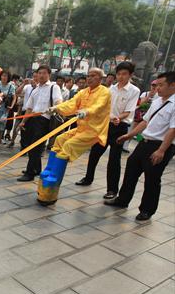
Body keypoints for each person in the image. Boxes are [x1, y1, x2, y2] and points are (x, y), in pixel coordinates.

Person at [105, 71, 175, 221]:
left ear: (173, 85)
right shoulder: (157, 101)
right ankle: (122, 200)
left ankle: (147, 210)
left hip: (160, 145)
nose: (158, 88)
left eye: (161, 85)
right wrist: (129, 135)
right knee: (131, 170)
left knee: (152, 179)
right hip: (144, 142)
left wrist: (162, 150)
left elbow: (173, 129)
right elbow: (145, 121)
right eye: (157, 85)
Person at [37, 68, 111, 205]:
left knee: (68, 146)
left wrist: (86, 111)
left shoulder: (104, 92)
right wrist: (56, 108)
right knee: (59, 140)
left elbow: (98, 106)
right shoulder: (83, 92)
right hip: (81, 128)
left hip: (94, 130)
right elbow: (71, 104)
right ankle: (49, 171)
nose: (89, 78)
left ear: (101, 79)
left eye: (93, 76)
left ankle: (53, 181)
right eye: (88, 76)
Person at [75, 62, 139, 200]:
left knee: (114, 159)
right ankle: (88, 178)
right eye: (119, 74)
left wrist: (118, 118)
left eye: (124, 74)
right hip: (104, 125)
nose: (121, 77)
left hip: (120, 127)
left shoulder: (134, 91)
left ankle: (112, 189)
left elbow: (128, 111)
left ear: (130, 75)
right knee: (95, 153)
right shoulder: (110, 89)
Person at [17, 65, 62, 181]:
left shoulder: (54, 87)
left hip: (44, 120)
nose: (41, 75)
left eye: (44, 73)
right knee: (30, 145)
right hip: (32, 120)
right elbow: (29, 108)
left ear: (49, 75)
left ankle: (30, 173)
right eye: (39, 73)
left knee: (35, 147)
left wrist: (55, 107)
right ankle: (36, 169)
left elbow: (58, 101)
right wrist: (23, 122)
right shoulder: (36, 89)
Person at [12, 72, 38, 148]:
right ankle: (23, 146)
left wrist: (36, 86)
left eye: (36, 77)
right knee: (23, 130)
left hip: (34, 113)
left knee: (31, 131)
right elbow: (17, 92)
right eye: (33, 76)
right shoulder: (28, 87)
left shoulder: (40, 88)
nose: (35, 78)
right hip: (25, 111)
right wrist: (23, 84)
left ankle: (28, 147)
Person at [0, 70, 17, 150]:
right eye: (3, 75)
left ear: (8, 78)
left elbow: (14, 97)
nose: (4, 77)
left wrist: (11, 106)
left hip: (4, 109)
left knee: (1, 127)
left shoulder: (11, 86)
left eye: (6, 76)